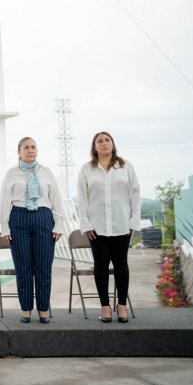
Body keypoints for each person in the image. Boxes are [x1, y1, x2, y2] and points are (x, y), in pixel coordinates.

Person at [0, 137, 65, 324]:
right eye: (26, 147)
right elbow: (4, 201)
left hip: (43, 218)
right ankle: (26, 309)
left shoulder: (47, 173)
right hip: (19, 218)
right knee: (23, 268)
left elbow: (56, 199)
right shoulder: (11, 174)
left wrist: (58, 224)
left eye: (33, 147)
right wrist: (4, 227)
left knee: (43, 267)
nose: (30, 150)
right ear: (19, 152)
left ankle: (43, 309)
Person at [77, 131, 140, 323]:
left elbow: (135, 194)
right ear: (94, 147)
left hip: (122, 225)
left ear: (113, 144)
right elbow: (81, 198)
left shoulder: (125, 167)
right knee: (101, 265)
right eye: (100, 141)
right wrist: (85, 223)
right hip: (96, 227)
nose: (104, 143)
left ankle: (121, 306)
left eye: (107, 140)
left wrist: (133, 220)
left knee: (121, 265)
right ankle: (105, 306)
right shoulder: (87, 169)